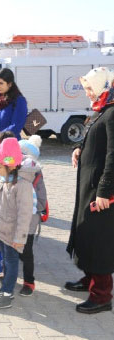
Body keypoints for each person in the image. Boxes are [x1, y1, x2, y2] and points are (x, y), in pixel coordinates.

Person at [66, 67, 114, 314]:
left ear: (102, 86)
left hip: (101, 190)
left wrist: (105, 191)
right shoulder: (101, 109)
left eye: (88, 88)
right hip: (88, 184)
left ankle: (102, 295)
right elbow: (94, 141)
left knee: (100, 241)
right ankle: (89, 280)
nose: (86, 93)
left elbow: (113, 154)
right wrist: (79, 150)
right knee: (85, 234)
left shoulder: (113, 111)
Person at [0, 137, 35, 309]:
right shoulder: (3, 180)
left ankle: (6, 294)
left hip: (12, 234)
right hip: (2, 231)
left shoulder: (23, 186)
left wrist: (20, 237)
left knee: (11, 261)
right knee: (6, 260)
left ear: (11, 165)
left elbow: (25, 214)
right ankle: (4, 286)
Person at [18, 135, 47, 297]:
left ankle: (29, 281)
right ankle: (9, 276)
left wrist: (33, 206)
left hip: (29, 220)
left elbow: (42, 200)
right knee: (13, 250)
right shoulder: (12, 171)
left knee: (26, 252)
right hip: (15, 219)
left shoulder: (36, 174)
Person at [0, 68, 28, 140]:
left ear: (10, 84)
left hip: (10, 143)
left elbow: (16, 126)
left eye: (1, 83)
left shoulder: (19, 101)